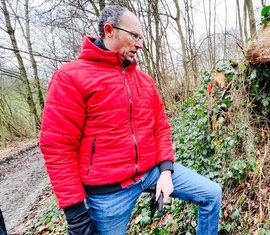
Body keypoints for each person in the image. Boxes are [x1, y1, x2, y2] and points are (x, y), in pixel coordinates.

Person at [39, 5, 222, 235]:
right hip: (108, 192)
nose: (140, 44)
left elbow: (161, 126)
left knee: (211, 194)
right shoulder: (70, 78)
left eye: (141, 37)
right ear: (109, 30)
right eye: (134, 35)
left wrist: (166, 170)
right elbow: (58, 148)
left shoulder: (144, 80)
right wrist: (75, 214)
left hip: (151, 172)